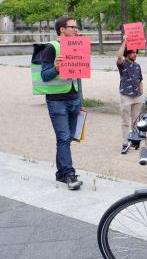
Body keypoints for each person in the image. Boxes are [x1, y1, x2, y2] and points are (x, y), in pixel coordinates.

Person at [40, 16, 85, 190]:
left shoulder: (76, 47)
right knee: (63, 138)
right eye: (72, 27)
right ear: (62, 30)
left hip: (73, 99)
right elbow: (45, 75)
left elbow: (78, 74)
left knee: (67, 139)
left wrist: (80, 100)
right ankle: (69, 174)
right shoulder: (52, 47)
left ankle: (60, 173)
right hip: (57, 101)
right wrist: (56, 68)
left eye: (76, 26)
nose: (76, 29)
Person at [116, 35, 144, 155]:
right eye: (132, 52)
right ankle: (125, 141)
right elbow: (119, 56)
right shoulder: (122, 64)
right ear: (128, 53)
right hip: (126, 95)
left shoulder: (137, 65)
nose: (134, 54)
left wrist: (141, 91)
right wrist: (125, 41)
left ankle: (135, 139)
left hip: (137, 96)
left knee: (136, 121)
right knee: (125, 121)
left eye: (135, 52)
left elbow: (140, 79)